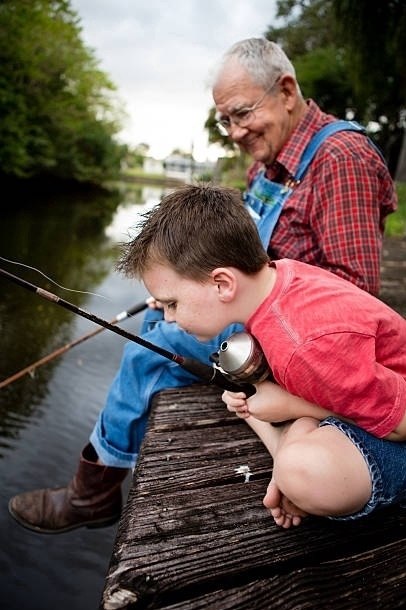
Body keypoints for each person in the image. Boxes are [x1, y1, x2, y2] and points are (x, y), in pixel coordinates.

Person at [8, 38, 397, 533]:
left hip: (302, 330)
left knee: (151, 346)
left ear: (286, 89)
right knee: (160, 314)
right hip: (252, 305)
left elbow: (356, 294)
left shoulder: (340, 159)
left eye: (242, 114)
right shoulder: (267, 164)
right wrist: (185, 285)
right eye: (225, 121)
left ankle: (93, 492)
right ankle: (101, 478)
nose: (235, 132)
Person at [117, 182, 406, 528]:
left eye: (172, 304)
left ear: (223, 284)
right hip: (365, 399)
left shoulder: (303, 344)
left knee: (304, 474)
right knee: (254, 403)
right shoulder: (280, 277)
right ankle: (287, 439)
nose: (168, 318)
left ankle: (284, 448)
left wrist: (291, 407)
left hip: (397, 428)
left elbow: (400, 423)